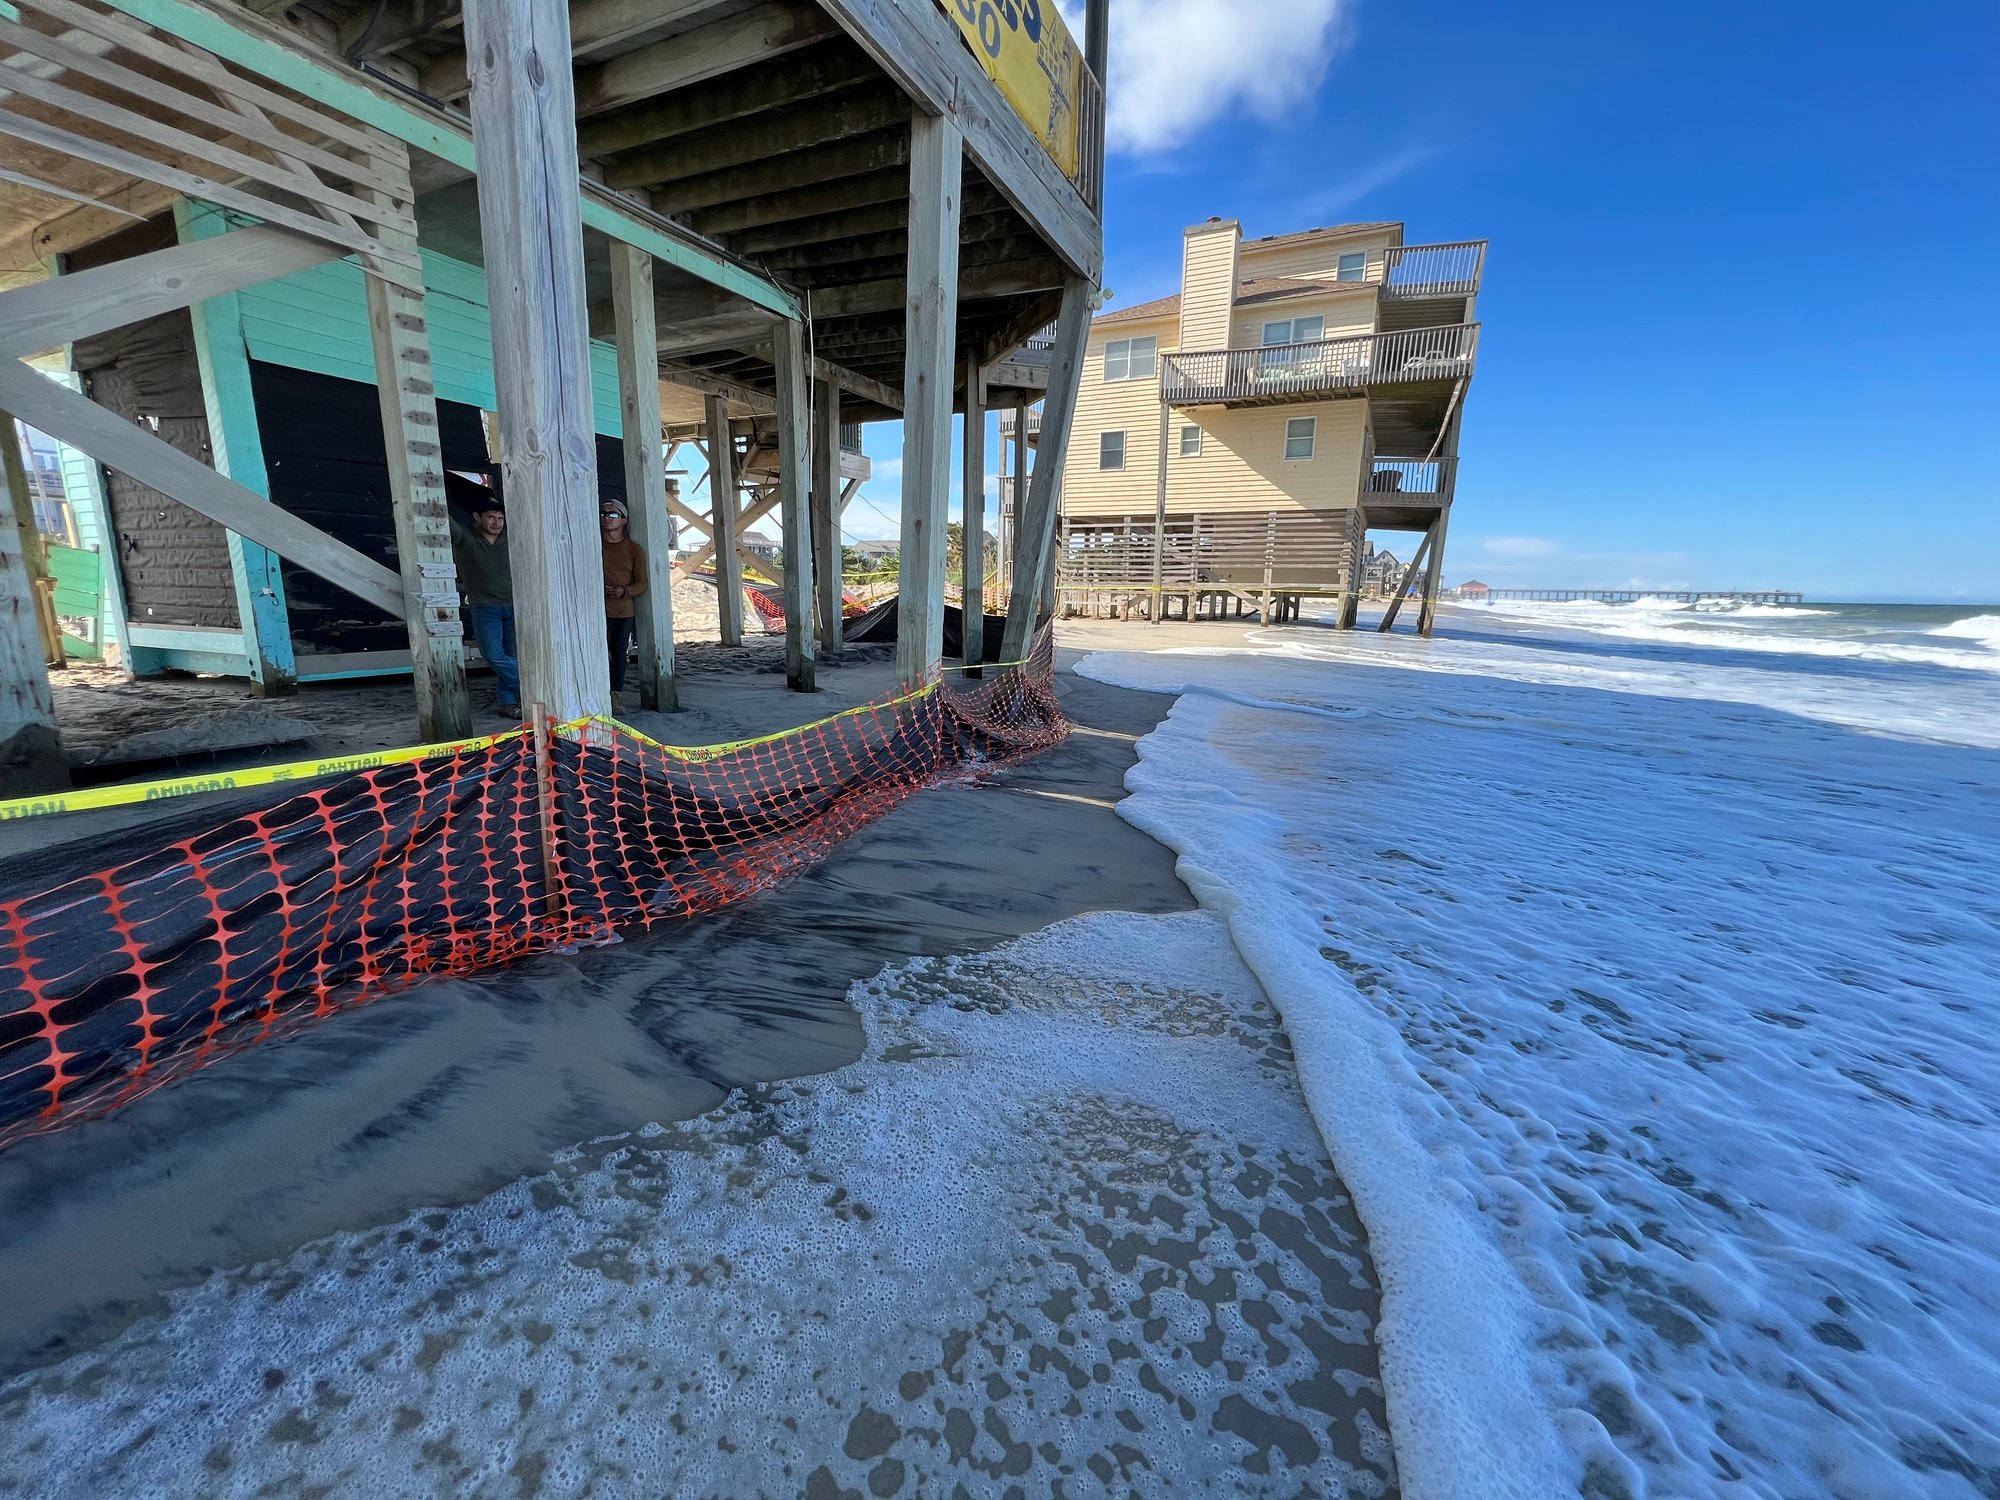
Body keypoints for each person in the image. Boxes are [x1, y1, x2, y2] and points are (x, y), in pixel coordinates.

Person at [447, 479, 520, 718]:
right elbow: (442, 518)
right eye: (491, 517)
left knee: (509, 655)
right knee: (492, 654)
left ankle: (508, 702)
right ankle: (531, 686)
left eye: (500, 518)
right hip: (484, 606)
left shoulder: (510, 536)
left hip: (515, 604)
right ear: (477, 517)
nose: (497, 523)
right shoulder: (465, 536)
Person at [599, 495, 648, 697]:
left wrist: (624, 591)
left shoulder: (634, 549)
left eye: (613, 514)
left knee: (619, 656)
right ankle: (597, 693)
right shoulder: (593, 544)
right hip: (597, 612)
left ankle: (615, 695)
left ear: (624, 520)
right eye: (603, 514)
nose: (607, 518)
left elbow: (643, 583)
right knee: (598, 655)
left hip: (623, 612)